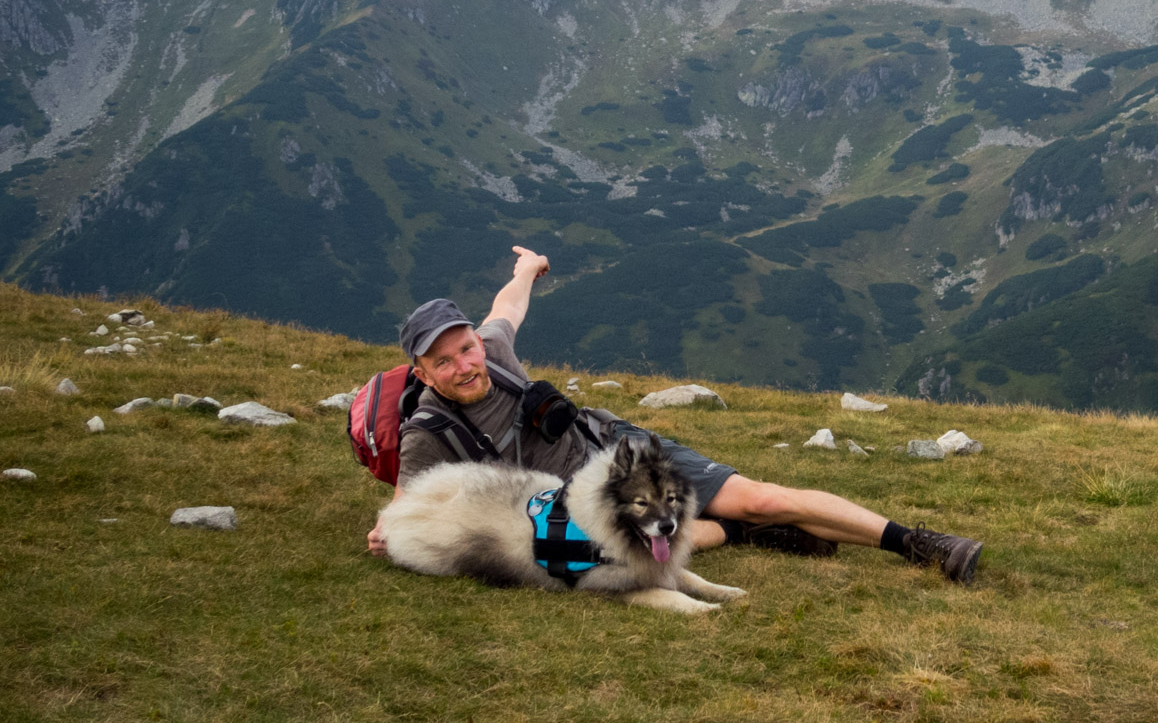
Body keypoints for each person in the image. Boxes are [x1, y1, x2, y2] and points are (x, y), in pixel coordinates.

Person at [365, 246, 984, 583]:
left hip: (618, 451)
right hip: (574, 514)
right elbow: (407, 500)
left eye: (465, 347)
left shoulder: (493, 348)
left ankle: (920, 544)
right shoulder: (427, 429)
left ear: (475, 340)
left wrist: (528, 268)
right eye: (443, 362)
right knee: (635, 553)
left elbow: (507, 307)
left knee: (760, 497)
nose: (464, 365)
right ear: (422, 372)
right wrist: (387, 531)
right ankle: (745, 536)